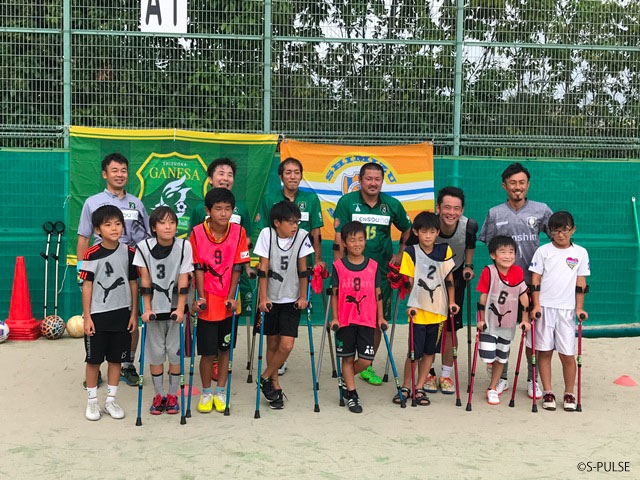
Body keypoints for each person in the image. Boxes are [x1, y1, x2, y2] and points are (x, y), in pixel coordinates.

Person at [478, 162, 553, 399]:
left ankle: (533, 380)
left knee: (533, 332)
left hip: (532, 284)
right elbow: (490, 245)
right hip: (503, 286)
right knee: (502, 330)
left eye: (521, 183)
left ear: (528, 185)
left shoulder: (542, 210)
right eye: (512, 183)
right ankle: (501, 379)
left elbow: (556, 239)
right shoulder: (495, 213)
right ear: (504, 186)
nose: (517, 187)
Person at [333, 162, 412, 385]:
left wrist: (401, 253)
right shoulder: (347, 202)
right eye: (369, 179)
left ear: (382, 181)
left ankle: (367, 365)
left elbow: (408, 230)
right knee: (349, 319)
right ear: (360, 179)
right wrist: (339, 268)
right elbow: (339, 238)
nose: (373, 183)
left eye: (377, 179)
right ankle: (348, 362)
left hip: (380, 274)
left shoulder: (392, 204)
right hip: (350, 275)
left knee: (377, 320)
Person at [77, 152, 150, 387]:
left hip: (127, 264)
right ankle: (95, 365)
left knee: (130, 316)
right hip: (99, 268)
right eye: (115, 170)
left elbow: (147, 236)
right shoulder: (92, 202)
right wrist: (82, 272)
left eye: (124, 171)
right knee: (95, 315)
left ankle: (128, 364)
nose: (120, 175)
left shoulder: (136, 203)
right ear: (105, 174)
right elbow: (83, 238)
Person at [255, 157, 324, 376]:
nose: (293, 176)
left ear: (301, 176)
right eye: (288, 172)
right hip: (274, 266)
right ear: (281, 176)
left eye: (297, 172)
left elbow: (316, 233)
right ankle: (272, 375)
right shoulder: (270, 199)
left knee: (286, 337)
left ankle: (269, 372)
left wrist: (319, 260)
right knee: (272, 337)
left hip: (300, 263)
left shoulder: (311, 199)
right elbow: (264, 231)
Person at [188, 157, 255, 382]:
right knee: (208, 332)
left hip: (230, 277)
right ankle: (211, 366)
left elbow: (245, 242)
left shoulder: (241, 211)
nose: (225, 178)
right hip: (207, 283)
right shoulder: (199, 213)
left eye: (229, 175)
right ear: (210, 179)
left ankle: (221, 366)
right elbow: (196, 247)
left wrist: (246, 265)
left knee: (226, 331)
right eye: (220, 174)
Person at [407, 187, 477, 394]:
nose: (451, 212)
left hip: (453, 277)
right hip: (426, 282)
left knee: (450, 328)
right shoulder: (425, 225)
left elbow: (469, 247)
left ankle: (446, 373)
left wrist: (469, 266)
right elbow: (410, 249)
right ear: (438, 208)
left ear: (462, 210)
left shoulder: (469, 226)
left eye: (456, 208)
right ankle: (428, 374)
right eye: (446, 207)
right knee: (424, 326)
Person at [190, 188, 250, 413]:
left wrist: (232, 296)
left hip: (227, 301)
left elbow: (237, 266)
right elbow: (197, 267)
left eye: (227, 209)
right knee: (207, 352)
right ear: (208, 211)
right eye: (218, 209)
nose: (223, 214)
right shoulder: (197, 232)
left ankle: (221, 391)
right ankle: (206, 392)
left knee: (225, 350)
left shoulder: (238, 232)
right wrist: (201, 296)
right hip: (207, 300)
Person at [79, 205, 139, 421]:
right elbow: (87, 286)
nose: (114, 228)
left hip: (122, 315)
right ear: (97, 230)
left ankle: (111, 400)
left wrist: (133, 314)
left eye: (118, 223)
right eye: (108, 224)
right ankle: (92, 402)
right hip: (98, 316)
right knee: (94, 361)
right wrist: (87, 317)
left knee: (116, 360)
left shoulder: (130, 252)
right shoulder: (91, 253)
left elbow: (134, 283)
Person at [393, 212, 458, 406]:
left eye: (432, 231)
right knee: (413, 352)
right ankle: (406, 386)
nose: (428, 236)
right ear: (416, 232)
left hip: (438, 312)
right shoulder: (410, 252)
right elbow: (411, 283)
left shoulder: (444, 250)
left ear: (438, 232)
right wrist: (412, 305)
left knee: (430, 351)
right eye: (423, 231)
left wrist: (452, 302)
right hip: (418, 312)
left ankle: (419, 387)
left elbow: (449, 280)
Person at [254, 201, 314, 409]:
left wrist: (303, 296)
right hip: (270, 298)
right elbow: (263, 268)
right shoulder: (266, 235)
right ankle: (274, 386)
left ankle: (264, 376)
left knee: (286, 344)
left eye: (297, 222)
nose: (295, 226)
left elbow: (303, 269)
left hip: (292, 299)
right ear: (277, 223)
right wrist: (263, 298)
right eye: (290, 222)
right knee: (272, 344)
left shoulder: (302, 236)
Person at [134, 206, 193, 415]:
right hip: (155, 310)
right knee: (156, 354)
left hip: (175, 310)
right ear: (153, 227)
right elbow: (145, 279)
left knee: (175, 356)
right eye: (162, 223)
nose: (168, 227)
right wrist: (147, 308)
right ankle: (159, 394)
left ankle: (173, 394)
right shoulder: (143, 248)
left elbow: (184, 278)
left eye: (172, 222)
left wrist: (180, 309)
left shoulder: (185, 246)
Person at [528, 211, 590, 411]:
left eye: (565, 230)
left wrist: (579, 307)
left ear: (573, 230)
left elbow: (581, 283)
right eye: (556, 231)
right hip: (545, 308)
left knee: (567, 354)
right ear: (550, 232)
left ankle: (569, 393)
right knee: (544, 351)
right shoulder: (543, 251)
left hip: (566, 310)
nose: (561, 235)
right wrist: (536, 305)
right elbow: (535, 280)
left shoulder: (580, 253)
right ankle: (548, 391)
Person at [329, 221, 387, 413]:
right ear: (344, 243)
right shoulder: (338, 267)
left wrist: (381, 318)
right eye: (352, 240)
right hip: (345, 321)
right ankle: (352, 395)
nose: (357, 244)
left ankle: (346, 379)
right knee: (347, 358)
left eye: (360, 239)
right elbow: (335, 294)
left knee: (365, 361)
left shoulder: (373, 266)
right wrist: (335, 318)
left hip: (367, 320)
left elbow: (378, 293)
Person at [476, 236, 530, 405]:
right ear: (493, 255)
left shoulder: (518, 272)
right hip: (490, 323)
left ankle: (493, 387)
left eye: (511, 252)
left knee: (502, 358)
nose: (507, 256)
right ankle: (492, 370)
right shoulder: (488, 271)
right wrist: (480, 319)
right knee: (488, 357)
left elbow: (524, 297)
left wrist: (525, 319)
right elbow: (483, 298)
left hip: (507, 325)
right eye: (503, 252)